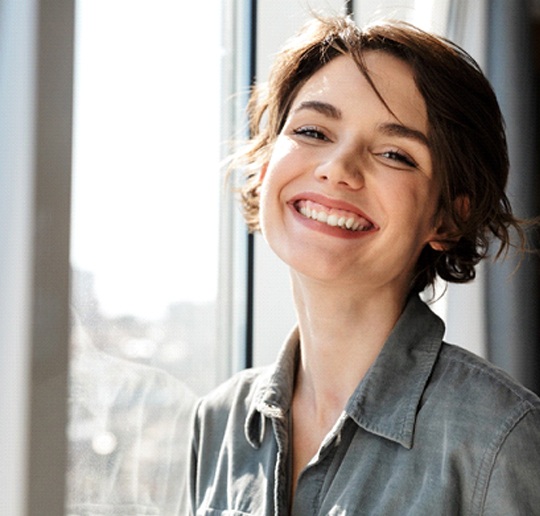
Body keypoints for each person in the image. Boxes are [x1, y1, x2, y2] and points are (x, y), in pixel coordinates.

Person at [189, 15, 540, 515]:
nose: (338, 168)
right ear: (265, 167)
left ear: (446, 217)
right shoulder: (218, 423)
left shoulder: (499, 437)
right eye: (312, 130)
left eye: (395, 154)